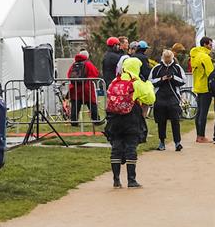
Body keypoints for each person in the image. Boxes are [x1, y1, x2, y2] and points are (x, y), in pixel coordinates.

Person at [105, 57, 155, 188]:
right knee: (130, 148)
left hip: (115, 119)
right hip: (131, 118)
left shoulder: (114, 81)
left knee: (116, 149)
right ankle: (131, 180)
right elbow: (150, 98)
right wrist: (149, 84)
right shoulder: (136, 83)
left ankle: (116, 180)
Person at [149, 49, 186, 151]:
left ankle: (177, 142)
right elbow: (150, 81)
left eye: (169, 59)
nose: (168, 61)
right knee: (161, 121)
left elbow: (183, 80)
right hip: (160, 98)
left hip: (173, 98)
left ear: (172, 58)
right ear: (163, 58)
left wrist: (173, 78)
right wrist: (162, 79)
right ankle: (162, 142)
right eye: (166, 59)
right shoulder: (157, 68)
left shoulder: (177, 68)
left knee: (175, 121)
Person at [190, 36, 215, 143]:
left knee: (199, 112)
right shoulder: (205, 57)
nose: (211, 47)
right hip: (205, 88)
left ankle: (198, 136)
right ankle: (201, 136)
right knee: (203, 113)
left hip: (197, 86)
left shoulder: (195, 55)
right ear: (205, 44)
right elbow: (211, 73)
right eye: (210, 44)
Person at [67, 49, 100, 125]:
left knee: (75, 105)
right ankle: (96, 120)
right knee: (92, 104)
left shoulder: (74, 64)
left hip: (75, 87)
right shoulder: (88, 64)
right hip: (86, 87)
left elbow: (69, 75)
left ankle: (74, 121)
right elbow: (95, 73)